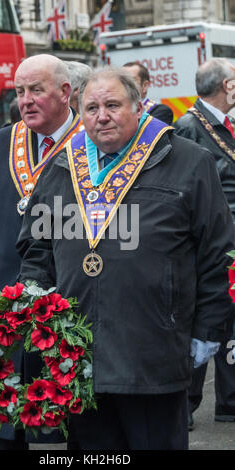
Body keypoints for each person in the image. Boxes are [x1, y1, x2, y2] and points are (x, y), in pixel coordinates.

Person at [16, 66, 235, 450]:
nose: (102, 116)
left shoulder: (188, 161)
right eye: (92, 107)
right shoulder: (63, 165)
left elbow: (219, 254)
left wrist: (207, 330)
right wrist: (35, 305)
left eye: (113, 105)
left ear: (138, 107)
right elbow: (37, 247)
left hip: (154, 357)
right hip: (78, 359)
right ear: (79, 113)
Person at [0, 54, 83, 450]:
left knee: (67, 429)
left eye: (36, 90)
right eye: (19, 90)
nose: (25, 100)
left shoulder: (90, 143)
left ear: (65, 92)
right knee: (3, 429)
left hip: (68, 305)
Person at [174, 57, 235, 429]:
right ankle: (185, 405)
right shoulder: (188, 125)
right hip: (209, 242)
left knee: (231, 323)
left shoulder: (226, 124)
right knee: (204, 320)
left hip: (230, 240)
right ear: (227, 86)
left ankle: (228, 401)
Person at [123, 60, 173, 125]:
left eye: (131, 81)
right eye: (121, 80)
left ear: (145, 86)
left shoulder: (160, 112)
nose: (124, 85)